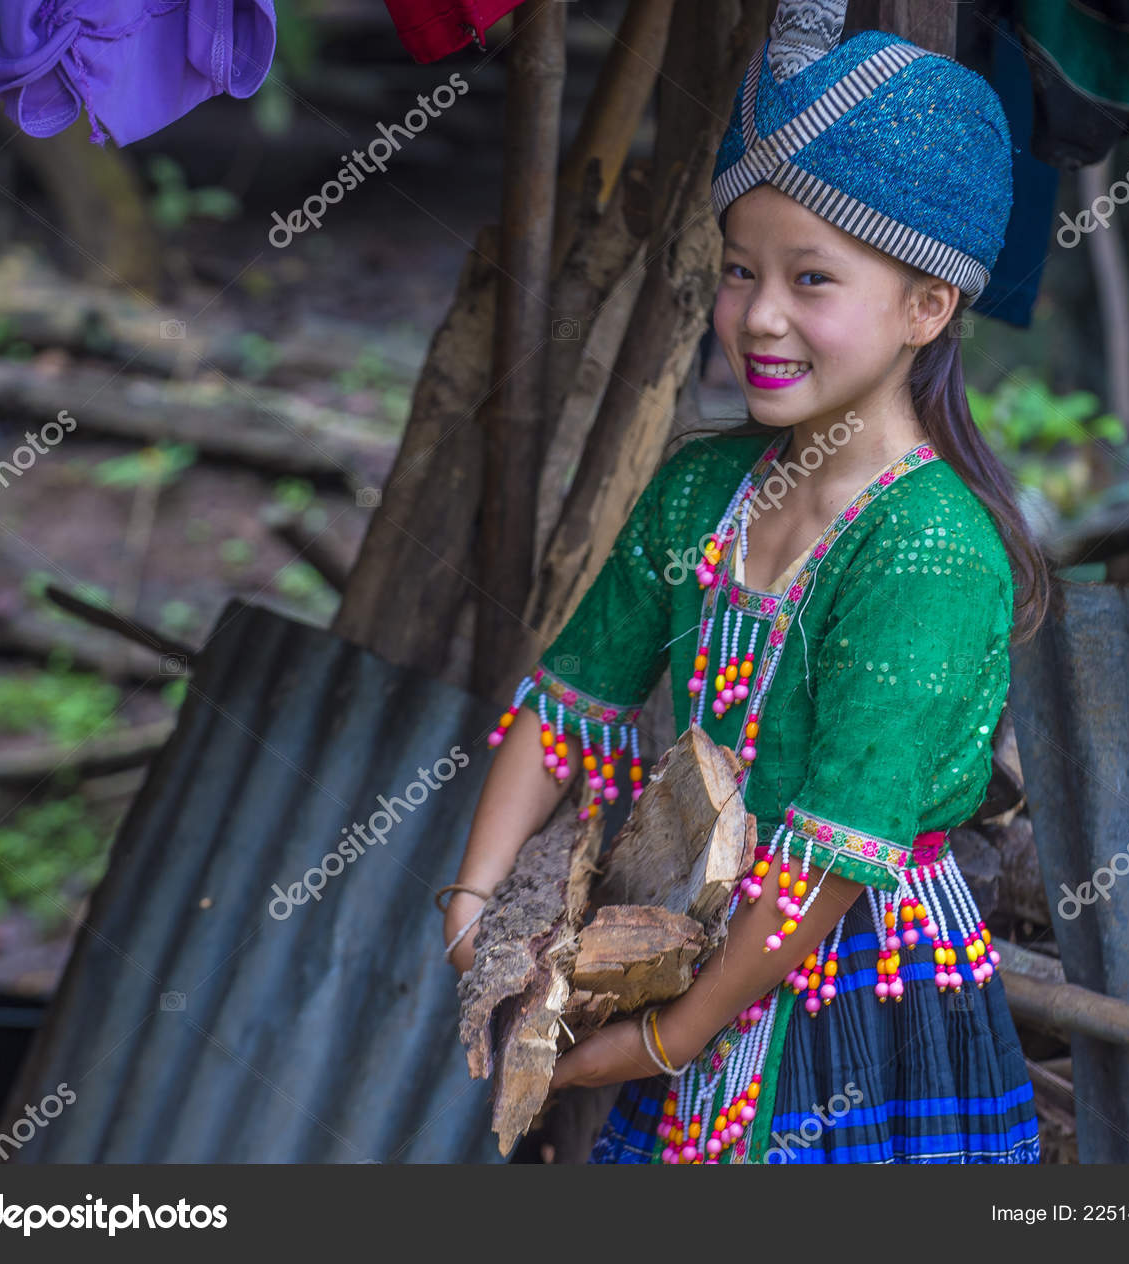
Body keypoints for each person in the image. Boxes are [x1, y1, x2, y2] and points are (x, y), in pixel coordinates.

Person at [445, 18, 1051, 1164]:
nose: (758, 315)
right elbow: (572, 697)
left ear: (927, 308)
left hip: (854, 982)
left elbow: (832, 853)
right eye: (739, 270)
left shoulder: (930, 552)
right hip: (695, 931)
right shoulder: (698, 490)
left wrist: (668, 1038)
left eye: (810, 278)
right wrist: (474, 910)